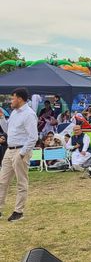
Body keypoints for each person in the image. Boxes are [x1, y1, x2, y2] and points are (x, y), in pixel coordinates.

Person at [0, 88, 39, 221]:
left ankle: (18, 211)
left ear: (20, 99)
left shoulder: (29, 114)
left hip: (21, 150)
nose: (11, 100)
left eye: (13, 98)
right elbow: (8, 131)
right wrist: (1, 119)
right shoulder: (14, 113)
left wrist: (22, 153)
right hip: (9, 150)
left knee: (21, 182)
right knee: (2, 181)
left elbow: (33, 137)